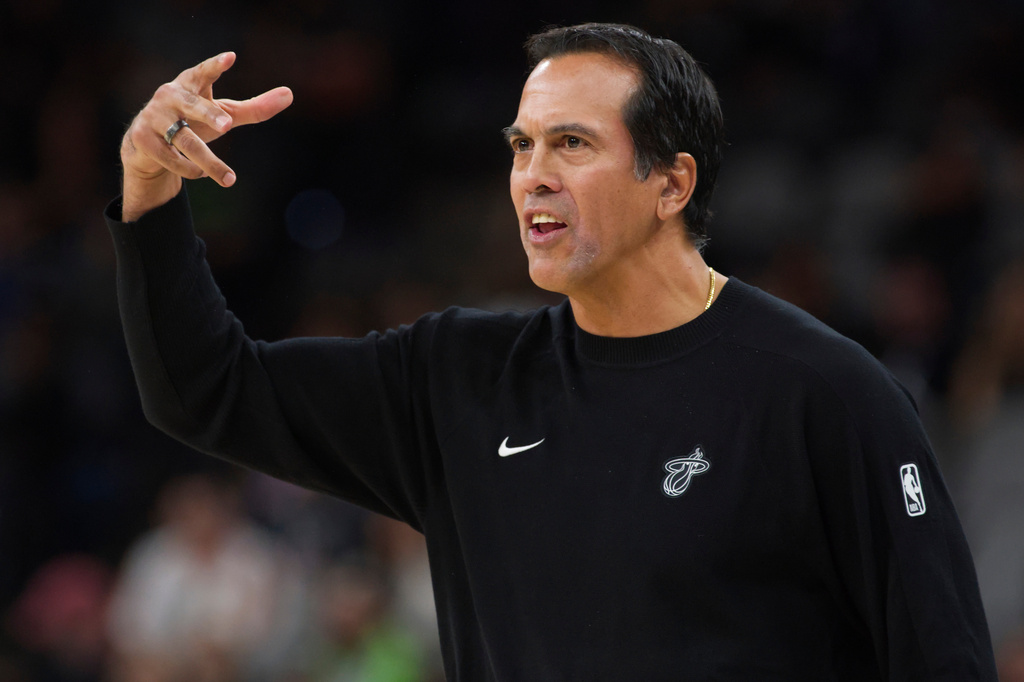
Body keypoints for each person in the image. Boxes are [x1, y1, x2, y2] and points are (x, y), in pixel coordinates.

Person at [106, 22, 996, 680]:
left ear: (672, 182)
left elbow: (940, 657)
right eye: (523, 146)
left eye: (572, 143)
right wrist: (149, 193)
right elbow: (203, 389)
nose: (533, 173)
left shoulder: (828, 393)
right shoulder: (453, 379)